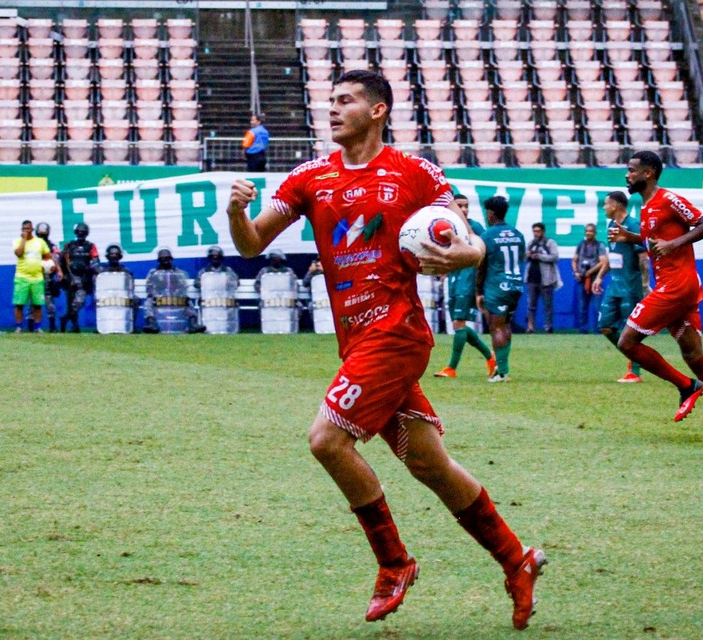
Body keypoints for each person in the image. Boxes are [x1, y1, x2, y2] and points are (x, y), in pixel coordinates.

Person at [225, 69, 546, 629]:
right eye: (330, 101)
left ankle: (394, 562)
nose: (332, 109)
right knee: (430, 463)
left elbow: (468, 239)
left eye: (345, 100)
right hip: (357, 342)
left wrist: (464, 256)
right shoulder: (310, 177)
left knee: (326, 440)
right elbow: (251, 245)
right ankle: (517, 561)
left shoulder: (414, 172)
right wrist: (234, 211)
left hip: (396, 334)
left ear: (377, 111)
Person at [611, 150, 703, 439]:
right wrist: (633, 238)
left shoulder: (668, 199)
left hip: (676, 286)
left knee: (627, 341)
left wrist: (674, 244)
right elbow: (658, 245)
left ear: (648, 173)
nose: (627, 175)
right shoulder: (647, 208)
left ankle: (687, 386)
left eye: (632, 170)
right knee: (694, 355)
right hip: (677, 285)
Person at [434, 193, 496, 379]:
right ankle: (490, 357)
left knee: (459, 323)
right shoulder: (448, 227)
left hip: (468, 279)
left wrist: (479, 282)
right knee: (457, 325)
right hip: (454, 278)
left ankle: (451, 368)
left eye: (466, 206)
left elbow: (483, 255)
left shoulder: (474, 228)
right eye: (459, 205)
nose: (464, 209)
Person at [592, 191, 650, 383]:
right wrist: (599, 277)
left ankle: (635, 371)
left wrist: (645, 284)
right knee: (605, 326)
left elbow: (643, 257)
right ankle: (635, 356)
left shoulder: (633, 225)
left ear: (615, 205)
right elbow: (612, 255)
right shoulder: (610, 225)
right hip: (614, 286)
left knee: (630, 329)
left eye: (606, 204)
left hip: (630, 286)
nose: (603, 207)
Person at [476, 195, 526, 383]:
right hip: (515, 284)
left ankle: (502, 371)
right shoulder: (517, 233)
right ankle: (503, 368)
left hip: (496, 285)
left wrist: (478, 291)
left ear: (490, 213)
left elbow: (481, 265)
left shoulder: (487, 235)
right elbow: (521, 258)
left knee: (496, 326)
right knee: (505, 325)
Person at [142, 247, 206, 334]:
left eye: (167, 259)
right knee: (148, 303)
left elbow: (183, 286)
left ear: (171, 259)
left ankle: (193, 324)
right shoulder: (153, 272)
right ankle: (152, 324)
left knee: (188, 302)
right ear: (159, 260)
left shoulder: (178, 272)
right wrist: (157, 293)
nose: (165, 261)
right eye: (162, 259)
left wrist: (178, 292)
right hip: (159, 297)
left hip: (175, 296)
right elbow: (149, 287)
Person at [12, 219, 53, 333]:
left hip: (37, 278)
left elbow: (49, 256)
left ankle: (37, 327)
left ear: (32, 229)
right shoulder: (17, 241)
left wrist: (57, 269)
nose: (26, 231)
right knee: (19, 304)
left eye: (28, 229)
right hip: (22, 277)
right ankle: (19, 327)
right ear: (21, 230)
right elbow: (18, 253)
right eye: (24, 229)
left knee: (37, 304)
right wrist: (24, 240)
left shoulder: (39, 242)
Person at [60, 222, 99, 333]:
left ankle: (65, 319)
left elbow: (95, 260)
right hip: (70, 278)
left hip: (84, 278)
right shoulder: (69, 245)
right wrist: (64, 276)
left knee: (78, 303)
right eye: (79, 232)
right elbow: (61, 259)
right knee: (70, 304)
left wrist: (95, 271)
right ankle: (74, 326)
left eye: (83, 232)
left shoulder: (91, 246)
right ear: (76, 233)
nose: (81, 234)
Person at [523, 221, 560, 334]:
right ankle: (530, 327)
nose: (536, 233)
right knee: (531, 305)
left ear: (543, 232)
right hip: (532, 278)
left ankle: (548, 326)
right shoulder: (530, 243)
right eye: (534, 231)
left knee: (548, 305)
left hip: (546, 279)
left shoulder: (549, 243)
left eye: (538, 231)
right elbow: (524, 258)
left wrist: (539, 256)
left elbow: (555, 257)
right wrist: (527, 255)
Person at [571, 223, 608, 334]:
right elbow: (574, 260)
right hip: (581, 279)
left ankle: (598, 329)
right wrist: (576, 272)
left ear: (595, 233)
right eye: (587, 231)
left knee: (597, 307)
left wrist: (590, 272)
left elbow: (603, 262)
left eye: (591, 231)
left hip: (595, 279)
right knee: (582, 307)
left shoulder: (600, 245)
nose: (588, 233)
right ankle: (583, 330)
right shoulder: (581, 244)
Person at [34, 222, 64, 333]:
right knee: (33, 301)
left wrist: (58, 270)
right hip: (34, 275)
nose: (42, 236)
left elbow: (56, 258)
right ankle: (32, 325)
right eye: (40, 234)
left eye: (44, 234)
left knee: (49, 301)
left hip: (48, 277)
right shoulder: (32, 245)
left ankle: (52, 325)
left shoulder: (52, 246)